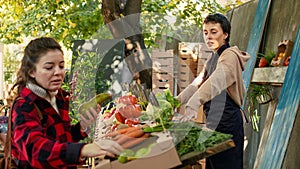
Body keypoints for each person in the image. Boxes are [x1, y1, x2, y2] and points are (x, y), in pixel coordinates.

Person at [9, 37, 123, 168]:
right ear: (31, 72)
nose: (58, 72)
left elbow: (63, 138)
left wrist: (82, 128)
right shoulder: (24, 105)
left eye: (61, 66)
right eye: (49, 67)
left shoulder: (60, 97)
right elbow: (35, 151)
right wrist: (83, 149)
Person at [177, 13, 250, 169]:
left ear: (225, 34)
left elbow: (216, 81)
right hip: (214, 124)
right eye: (205, 32)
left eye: (213, 31)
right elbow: (198, 82)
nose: (208, 36)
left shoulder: (229, 56)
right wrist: (176, 100)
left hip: (228, 123)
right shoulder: (213, 57)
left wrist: (194, 103)